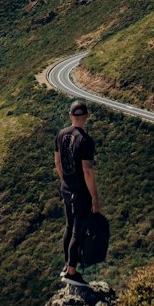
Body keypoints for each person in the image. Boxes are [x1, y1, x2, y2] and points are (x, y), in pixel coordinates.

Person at [54, 100, 100, 284]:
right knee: (78, 231)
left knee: (69, 226)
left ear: (71, 116)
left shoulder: (61, 134)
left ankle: (67, 265)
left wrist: (65, 181)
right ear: (87, 116)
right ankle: (72, 273)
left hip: (66, 188)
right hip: (81, 192)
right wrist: (95, 199)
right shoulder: (86, 140)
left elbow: (58, 162)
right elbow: (87, 171)